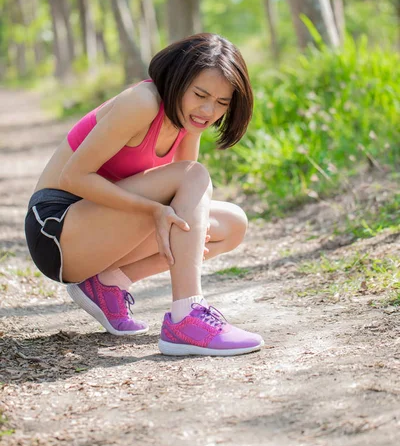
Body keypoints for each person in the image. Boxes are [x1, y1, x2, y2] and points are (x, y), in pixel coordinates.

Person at [25, 33, 264, 356]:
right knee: (194, 177)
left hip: (100, 231)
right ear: (178, 80)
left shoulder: (187, 122)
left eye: (222, 103)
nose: (209, 110)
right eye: (201, 94)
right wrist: (152, 209)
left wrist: (161, 211)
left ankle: (108, 283)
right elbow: (75, 176)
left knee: (231, 224)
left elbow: (187, 202)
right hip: (56, 230)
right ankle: (186, 316)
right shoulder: (142, 102)